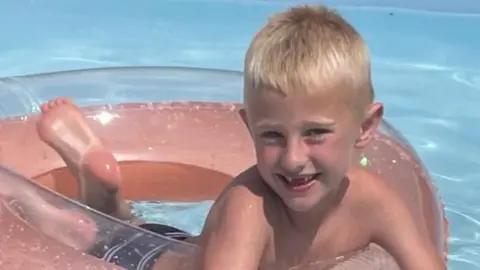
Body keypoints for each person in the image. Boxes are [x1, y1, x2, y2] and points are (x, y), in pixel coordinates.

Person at [32, 4, 445, 270]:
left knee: (136, 222)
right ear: (249, 126)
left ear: (366, 128)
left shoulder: (377, 201)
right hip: (149, 258)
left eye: (316, 133)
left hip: (183, 244)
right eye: (272, 136)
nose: (292, 158)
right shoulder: (251, 207)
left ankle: (105, 191)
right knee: (99, 234)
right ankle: (93, 183)